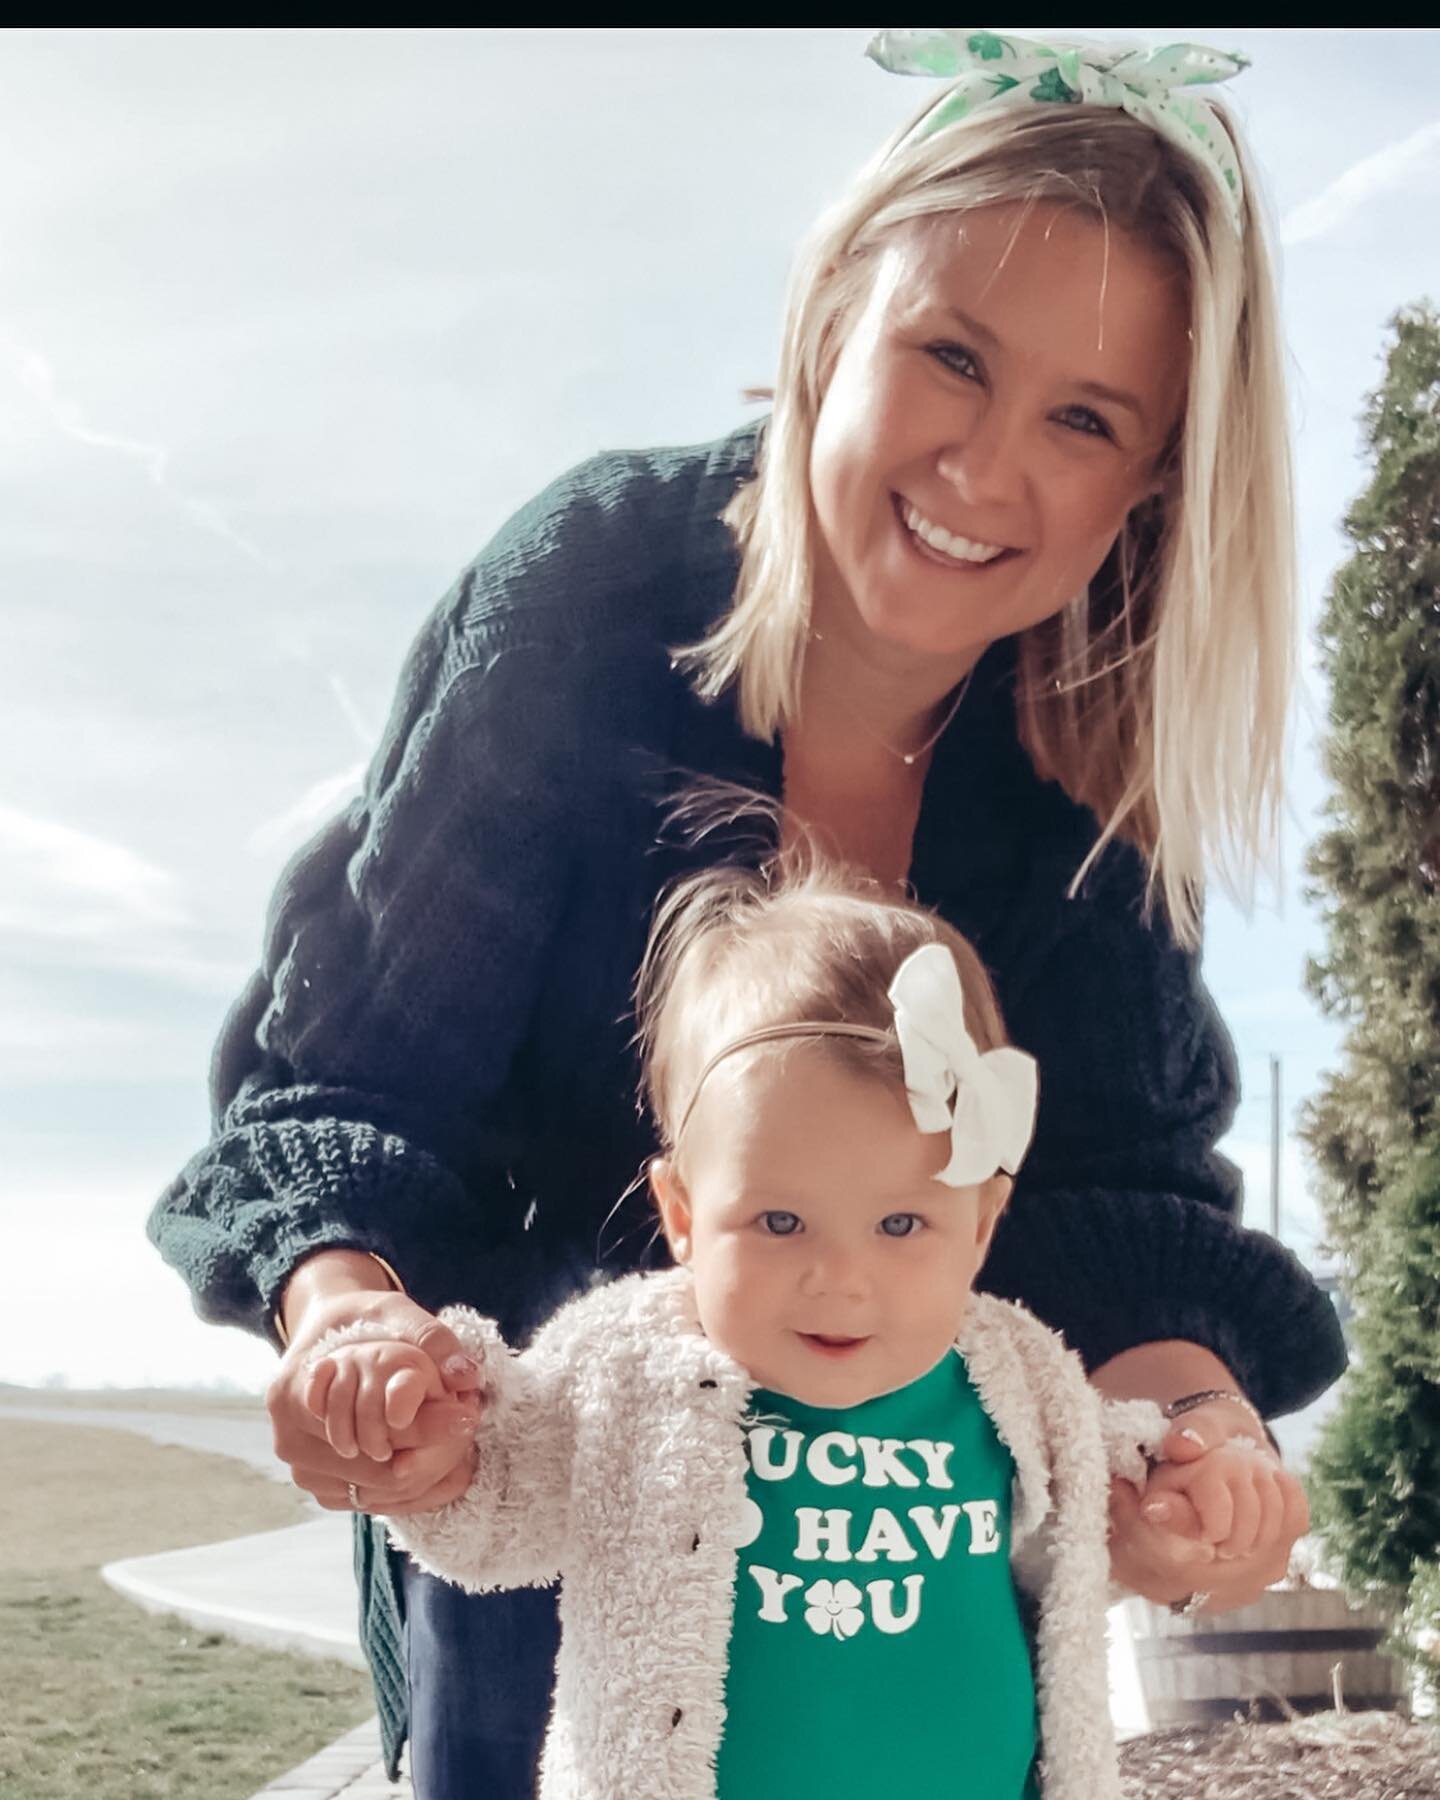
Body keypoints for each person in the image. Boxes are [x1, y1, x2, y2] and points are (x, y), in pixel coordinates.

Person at [148, 30, 1346, 1797]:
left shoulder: (1091, 759)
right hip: (544, 1463)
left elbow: (1115, 1213)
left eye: (1084, 419)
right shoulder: (589, 588)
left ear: (1148, 486)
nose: (985, 469)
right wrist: (352, 1328)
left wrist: (1197, 1450)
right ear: (836, 315)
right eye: (952, 356)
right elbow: (353, 1086)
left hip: (903, 1517)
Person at [307, 854, 1275, 1800]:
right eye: (779, 1222)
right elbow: (493, 1509)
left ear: (981, 1224)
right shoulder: (624, 1367)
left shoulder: (1021, 1375)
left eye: (902, 1224)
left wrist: (1201, 1487)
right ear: (683, 1216)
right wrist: (430, 1430)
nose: (841, 1280)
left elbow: (1117, 1511)